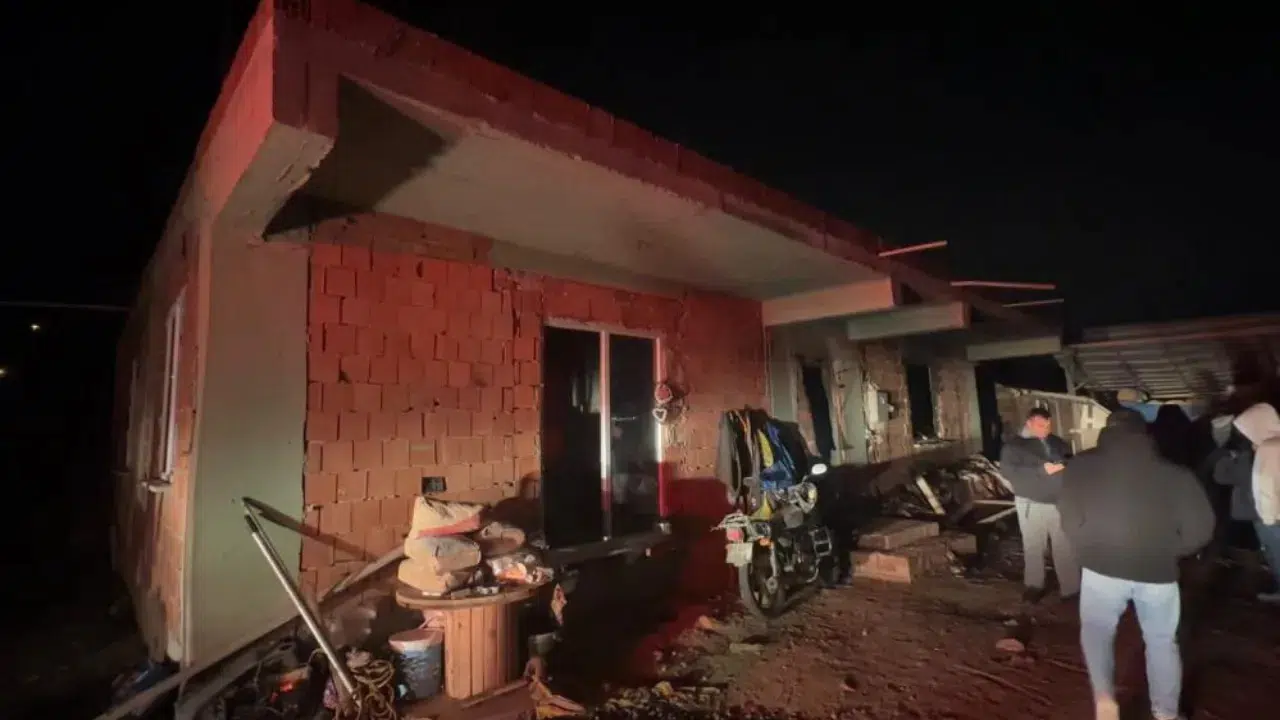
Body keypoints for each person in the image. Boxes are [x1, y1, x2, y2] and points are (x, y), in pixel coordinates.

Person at [1058, 408, 1215, 720]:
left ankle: (1104, 698)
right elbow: (1202, 528)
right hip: (1157, 571)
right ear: (1146, 433)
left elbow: (1069, 519)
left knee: (1098, 631)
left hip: (1100, 567)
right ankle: (1166, 713)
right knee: (1161, 641)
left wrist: (1088, 546)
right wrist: (1169, 550)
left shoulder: (1080, 467)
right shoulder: (1175, 474)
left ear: (1107, 431)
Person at [1000, 407, 1079, 602]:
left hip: (1059, 502)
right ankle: (1034, 585)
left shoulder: (1057, 443)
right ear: (1029, 423)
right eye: (1041, 425)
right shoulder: (1014, 447)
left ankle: (1071, 588)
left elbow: (1070, 463)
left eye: (1048, 425)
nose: (1045, 429)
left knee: (1064, 545)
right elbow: (1009, 472)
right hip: (1031, 503)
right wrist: (1041, 471)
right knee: (1034, 545)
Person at [1231, 402, 1280, 603]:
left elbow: (1264, 485)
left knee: (1276, 554)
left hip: (1273, 516)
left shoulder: (1269, 448)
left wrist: (1267, 519)